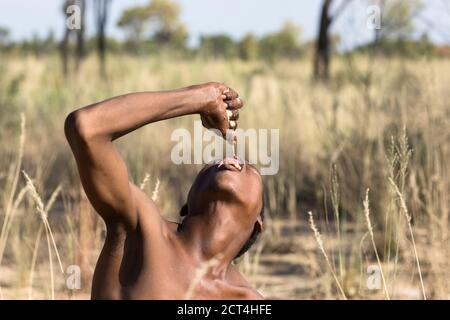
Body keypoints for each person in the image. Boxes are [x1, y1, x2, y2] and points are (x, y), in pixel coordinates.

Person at [64, 82, 265, 299]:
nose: (228, 161)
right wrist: (201, 98)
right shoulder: (142, 231)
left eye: (250, 168)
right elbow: (86, 128)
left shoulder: (246, 299)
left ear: (258, 221)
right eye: (210, 166)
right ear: (187, 205)